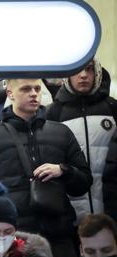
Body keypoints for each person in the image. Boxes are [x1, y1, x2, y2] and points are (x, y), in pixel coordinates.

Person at [0, 79, 93, 257]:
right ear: (10, 94)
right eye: (26, 89)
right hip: (14, 240)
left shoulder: (61, 132)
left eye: (37, 89)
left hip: (58, 236)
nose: (34, 93)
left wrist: (63, 170)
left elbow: (84, 181)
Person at [47, 59, 117, 223]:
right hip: (72, 213)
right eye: (76, 70)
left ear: (97, 72)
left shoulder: (112, 107)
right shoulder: (54, 113)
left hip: (111, 208)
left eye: (89, 69)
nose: (83, 75)